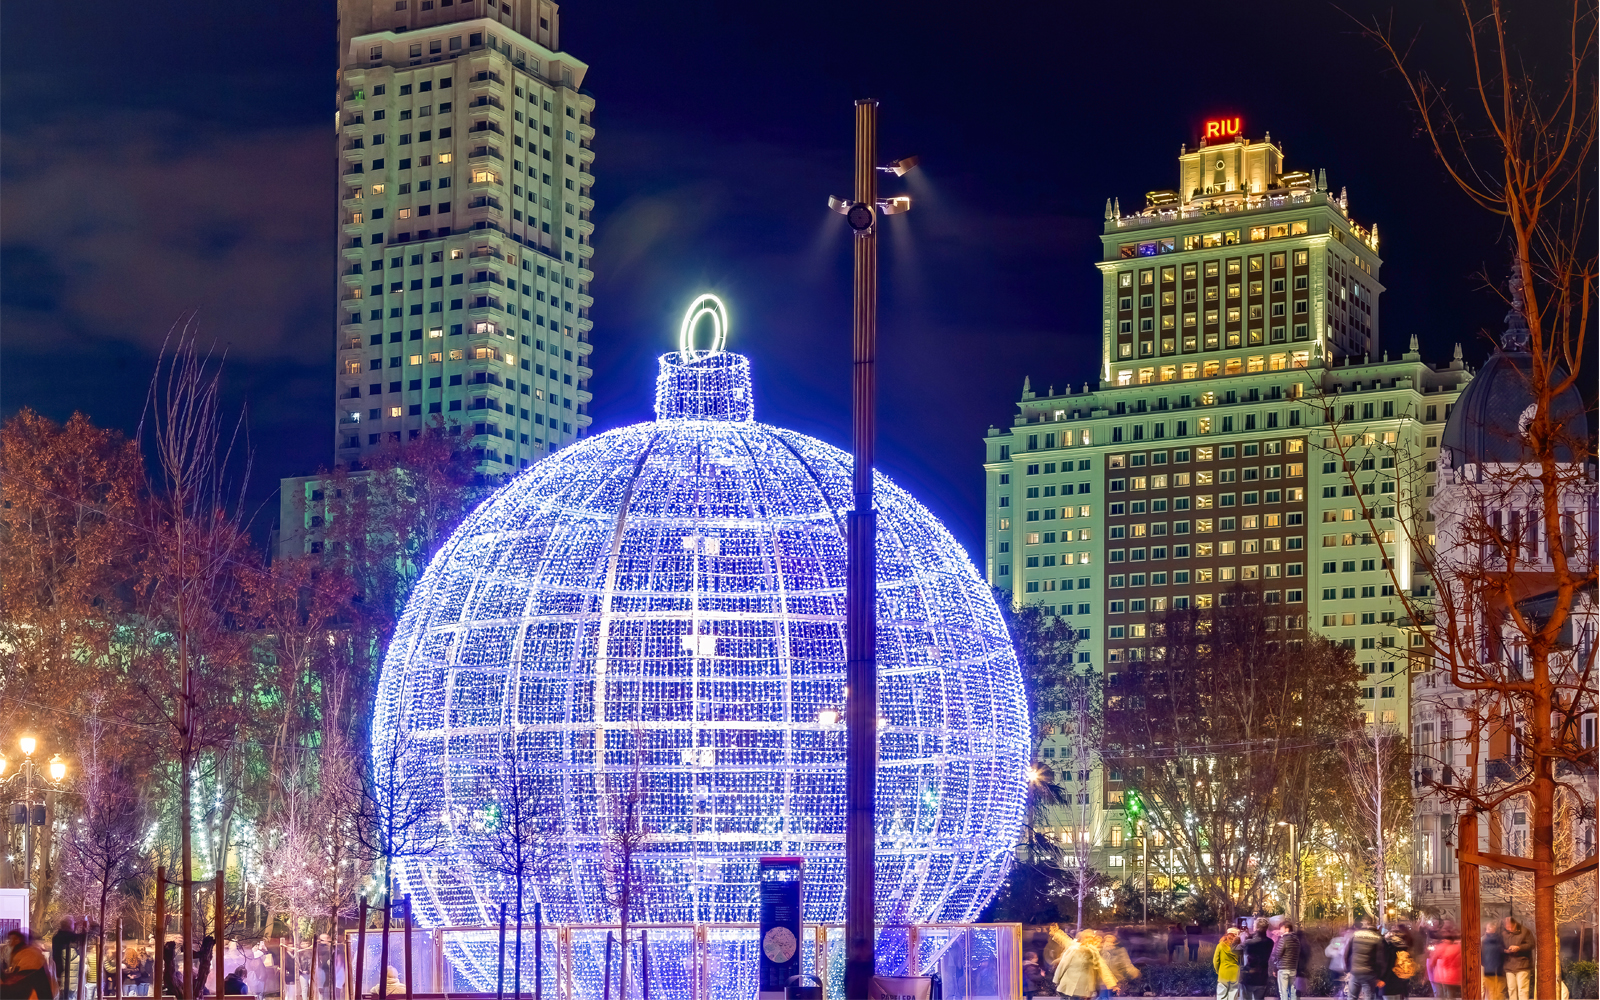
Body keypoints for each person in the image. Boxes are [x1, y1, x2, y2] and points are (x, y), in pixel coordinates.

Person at [1052, 930, 1107, 1000]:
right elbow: (1063, 965)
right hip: (1073, 985)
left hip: (1088, 986)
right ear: (1082, 938)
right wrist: (1056, 980)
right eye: (1087, 937)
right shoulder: (1074, 949)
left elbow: (1102, 968)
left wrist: (1109, 983)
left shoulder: (1095, 951)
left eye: (1092, 937)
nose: (1090, 939)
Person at [2, 931, 55, 1000]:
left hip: (34, 992)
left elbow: (27, 973)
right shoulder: (23, 952)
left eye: (10, 939)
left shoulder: (29, 953)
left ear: (17, 940)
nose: (8, 942)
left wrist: (11, 980)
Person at [1344, 919, 1383, 1000]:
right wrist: (1379, 976)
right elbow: (1380, 960)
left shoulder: (1355, 935)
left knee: (1352, 996)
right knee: (1369, 996)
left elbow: (1346, 953)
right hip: (1369, 973)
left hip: (1355, 972)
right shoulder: (1377, 938)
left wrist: (1348, 969)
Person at [1501, 916, 1533, 1000]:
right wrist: (1505, 950)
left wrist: (1519, 947)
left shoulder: (1525, 931)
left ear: (1515, 924)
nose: (1509, 929)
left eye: (1511, 927)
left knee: (1522, 989)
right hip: (1509, 965)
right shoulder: (1503, 933)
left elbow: (1531, 944)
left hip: (1522, 964)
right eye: (1507, 927)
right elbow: (1499, 946)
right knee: (1511, 989)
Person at [1427, 924, 1462, 1000]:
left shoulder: (1440, 947)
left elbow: (1432, 962)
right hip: (1453, 977)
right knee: (1451, 995)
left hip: (1440, 976)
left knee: (1440, 995)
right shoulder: (1457, 948)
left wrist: (1430, 972)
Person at [1237, 927, 1272, 1000]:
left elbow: (1236, 950)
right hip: (1262, 978)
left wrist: (1241, 939)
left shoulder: (1249, 943)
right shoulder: (1270, 942)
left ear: (1256, 928)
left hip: (1249, 977)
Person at [1270, 920, 1301, 1000]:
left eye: (1281, 928)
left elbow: (1277, 954)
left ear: (1287, 929)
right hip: (1293, 968)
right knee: (1292, 991)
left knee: (1283, 992)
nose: (1280, 930)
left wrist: (1274, 968)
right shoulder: (1296, 940)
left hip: (1283, 969)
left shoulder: (1283, 939)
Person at [1212, 927, 1241, 1000]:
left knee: (1221, 995)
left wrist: (1218, 971)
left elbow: (1215, 961)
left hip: (1223, 973)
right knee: (1233, 995)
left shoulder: (1220, 945)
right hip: (1235, 973)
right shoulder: (1239, 947)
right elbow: (1242, 961)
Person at [1481, 922, 1507, 1000]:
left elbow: (1502, 952)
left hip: (1499, 968)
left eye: (1492, 928)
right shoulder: (1483, 940)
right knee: (1489, 991)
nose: (1490, 929)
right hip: (1487, 968)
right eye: (1488, 928)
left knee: (1498, 991)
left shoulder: (1500, 939)